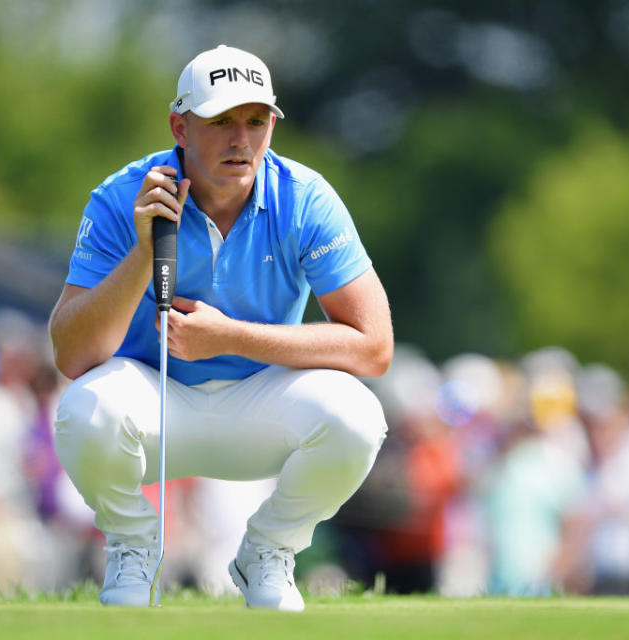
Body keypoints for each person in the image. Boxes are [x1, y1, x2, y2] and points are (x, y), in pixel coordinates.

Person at [49, 44, 392, 611]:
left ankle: (268, 550)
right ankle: (134, 547)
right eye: (221, 122)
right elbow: (72, 354)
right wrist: (143, 249)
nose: (242, 139)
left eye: (257, 121)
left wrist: (231, 336)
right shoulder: (120, 197)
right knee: (85, 408)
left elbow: (374, 347)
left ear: (273, 126)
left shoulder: (304, 200)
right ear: (180, 127)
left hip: (262, 403)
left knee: (358, 417)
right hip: (155, 400)